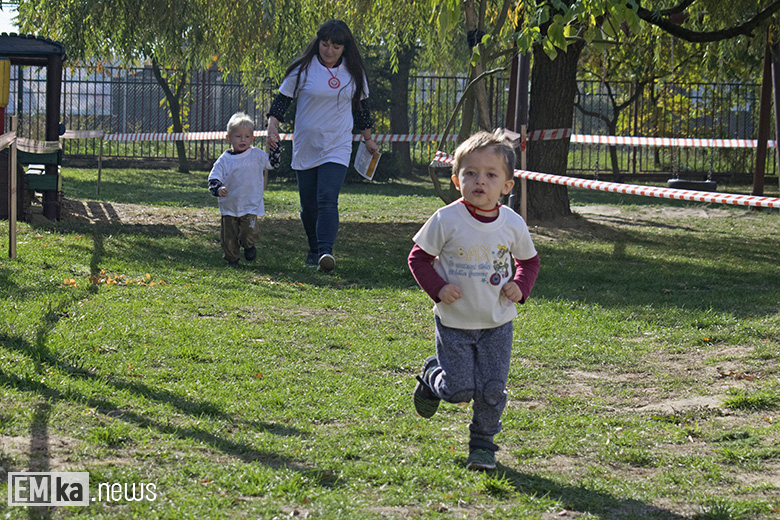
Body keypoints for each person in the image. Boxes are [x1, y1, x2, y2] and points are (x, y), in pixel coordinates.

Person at [408, 130, 541, 471]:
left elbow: (529, 262)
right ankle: (431, 375)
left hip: (497, 322)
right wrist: (438, 288)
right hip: (455, 321)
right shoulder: (446, 219)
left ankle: (482, 445)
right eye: (470, 173)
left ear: (507, 186)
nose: (479, 181)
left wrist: (520, 287)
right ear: (456, 180)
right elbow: (418, 259)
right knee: (458, 390)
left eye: (490, 175)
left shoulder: (513, 223)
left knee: (492, 388)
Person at [266, 19, 379, 272]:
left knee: (327, 198)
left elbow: (362, 108)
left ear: (344, 48)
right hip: (306, 145)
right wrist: (272, 127)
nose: (329, 51)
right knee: (308, 206)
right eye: (325, 44)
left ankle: (325, 252)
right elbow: (281, 101)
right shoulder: (303, 69)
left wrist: (368, 138)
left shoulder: (354, 72)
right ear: (318, 43)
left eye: (336, 47)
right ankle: (313, 248)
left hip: (337, 145)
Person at [208, 112, 280, 266]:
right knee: (229, 236)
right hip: (230, 205)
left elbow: (273, 164)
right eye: (238, 136)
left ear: (252, 138)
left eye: (247, 137)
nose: (243, 140)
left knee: (248, 232)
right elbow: (214, 177)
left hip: (250, 205)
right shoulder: (224, 160)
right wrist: (218, 188)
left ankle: (249, 245)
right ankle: (232, 260)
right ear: (229, 138)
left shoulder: (257, 155)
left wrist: (275, 148)